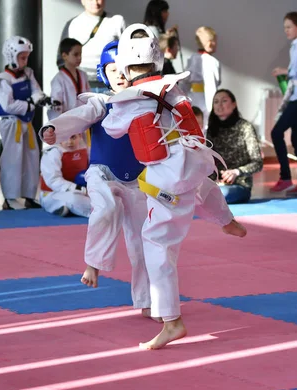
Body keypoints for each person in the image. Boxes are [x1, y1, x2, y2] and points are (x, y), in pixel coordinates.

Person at [41, 40, 245, 324]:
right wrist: (54, 129)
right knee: (106, 209)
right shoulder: (102, 103)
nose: (120, 76)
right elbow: (78, 117)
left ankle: (149, 301)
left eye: (123, 69)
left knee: (142, 242)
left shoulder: (147, 98)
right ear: (103, 73)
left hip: (139, 181)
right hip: (103, 175)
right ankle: (94, 264)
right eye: (112, 70)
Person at [101, 24, 244, 350]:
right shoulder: (174, 89)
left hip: (166, 180)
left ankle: (171, 321)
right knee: (204, 188)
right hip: (193, 161)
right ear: (157, 60)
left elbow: (111, 130)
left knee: (155, 245)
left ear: (124, 65)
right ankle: (227, 220)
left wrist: (111, 101)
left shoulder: (129, 101)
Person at [0, 36, 48, 210]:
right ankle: (10, 198)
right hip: (11, 125)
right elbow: (8, 105)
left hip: (26, 122)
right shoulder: (4, 80)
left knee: (31, 158)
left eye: (26, 57)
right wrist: (30, 103)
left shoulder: (28, 73)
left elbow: (37, 92)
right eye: (22, 57)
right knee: (12, 160)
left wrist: (36, 99)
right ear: (11, 57)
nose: (25, 61)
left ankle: (29, 195)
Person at [270, 11, 297, 195]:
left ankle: (286, 176)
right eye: (285, 28)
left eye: (289, 27)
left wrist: (286, 72)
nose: (286, 31)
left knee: (276, 132)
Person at [207, 89, 263, 204]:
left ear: (234, 104)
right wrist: (213, 180)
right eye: (216, 102)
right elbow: (209, 161)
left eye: (224, 101)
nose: (219, 105)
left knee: (222, 194)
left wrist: (236, 172)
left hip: (239, 185)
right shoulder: (212, 129)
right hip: (216, 184)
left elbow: (258, 163)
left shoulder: (245, 127)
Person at [58, 0, 125, 92]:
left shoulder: (117, 21)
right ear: (82, 1)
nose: (95, 2)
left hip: (111, 83)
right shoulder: (73, 23)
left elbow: (126, 50)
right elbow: (61, 57)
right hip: (81, 84)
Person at [39, 133, 91, 217]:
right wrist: (82, 190)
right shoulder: (52, 152)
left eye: (73, 137)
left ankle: (70, 208)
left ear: (80, 136)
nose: (69, 142)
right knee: (73, 199)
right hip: (53, 193)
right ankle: (57, 206)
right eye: (64, 138)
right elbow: (54, 181)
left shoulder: (86, 149)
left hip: (82, 190)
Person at [48, 38, 90, 121]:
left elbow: (89, 97)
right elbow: (56, 106)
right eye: (75, 54)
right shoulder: (58, 79)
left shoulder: (83, 75)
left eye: (80, 54)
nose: (79, 58)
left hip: (84, 120)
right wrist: (58, 125)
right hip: (67, 122)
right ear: (64, 56)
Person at [184, 26, 219, 126]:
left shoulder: (192, 58)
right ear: (210, 42)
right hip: (206, 102)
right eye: (215, 41)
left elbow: (184, 82)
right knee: (204, 126)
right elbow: (211, 87)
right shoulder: (211, 62)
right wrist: (213, 109)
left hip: (191, 99)